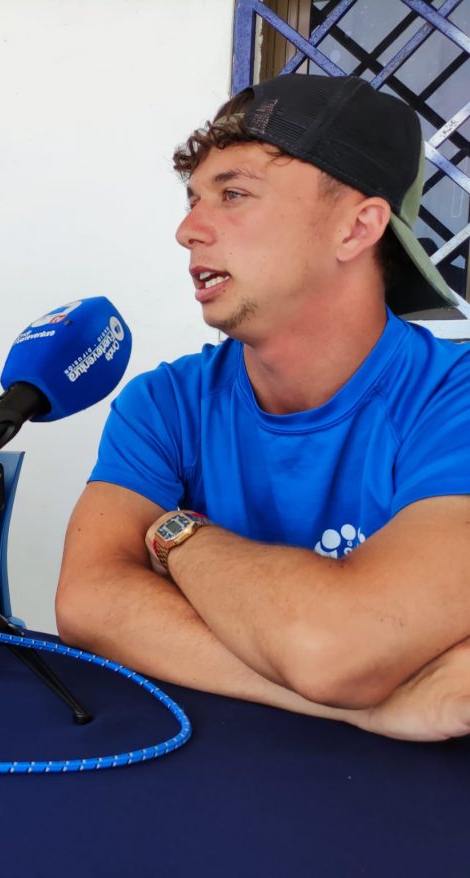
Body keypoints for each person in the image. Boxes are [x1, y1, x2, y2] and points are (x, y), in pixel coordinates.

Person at [55, 74, 470, 742]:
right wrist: (373, 705)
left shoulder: (453, 401)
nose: (187, 230)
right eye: (193, 200)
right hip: (208, 781)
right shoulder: (165, 402)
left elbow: (337, 649)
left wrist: (177, 536)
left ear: (357, 227)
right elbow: (89, 602)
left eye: (234, 194)